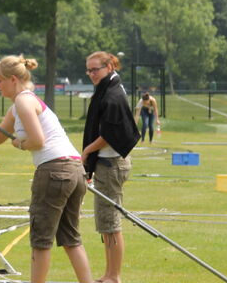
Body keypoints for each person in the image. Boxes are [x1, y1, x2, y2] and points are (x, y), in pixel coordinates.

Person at [0, 55, 93, 283]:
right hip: (75, 169)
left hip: (54, 171)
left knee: (41, 239)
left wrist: (20, 143)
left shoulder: (23, 101)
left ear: (14, 79)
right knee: (70, 239)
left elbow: (37, 141)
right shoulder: (21, 105)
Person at [81, 52, 139, 283]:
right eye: (89, 70)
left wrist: (87, 151)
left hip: (111, 164)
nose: (92, 74)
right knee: (106, 223)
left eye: (95, 69)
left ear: (109, 66)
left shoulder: (113, 94)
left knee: (111, 223)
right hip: (108, 163)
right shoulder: (109, 87)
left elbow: (109, 134)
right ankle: (108, 274)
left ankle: (113, 276)